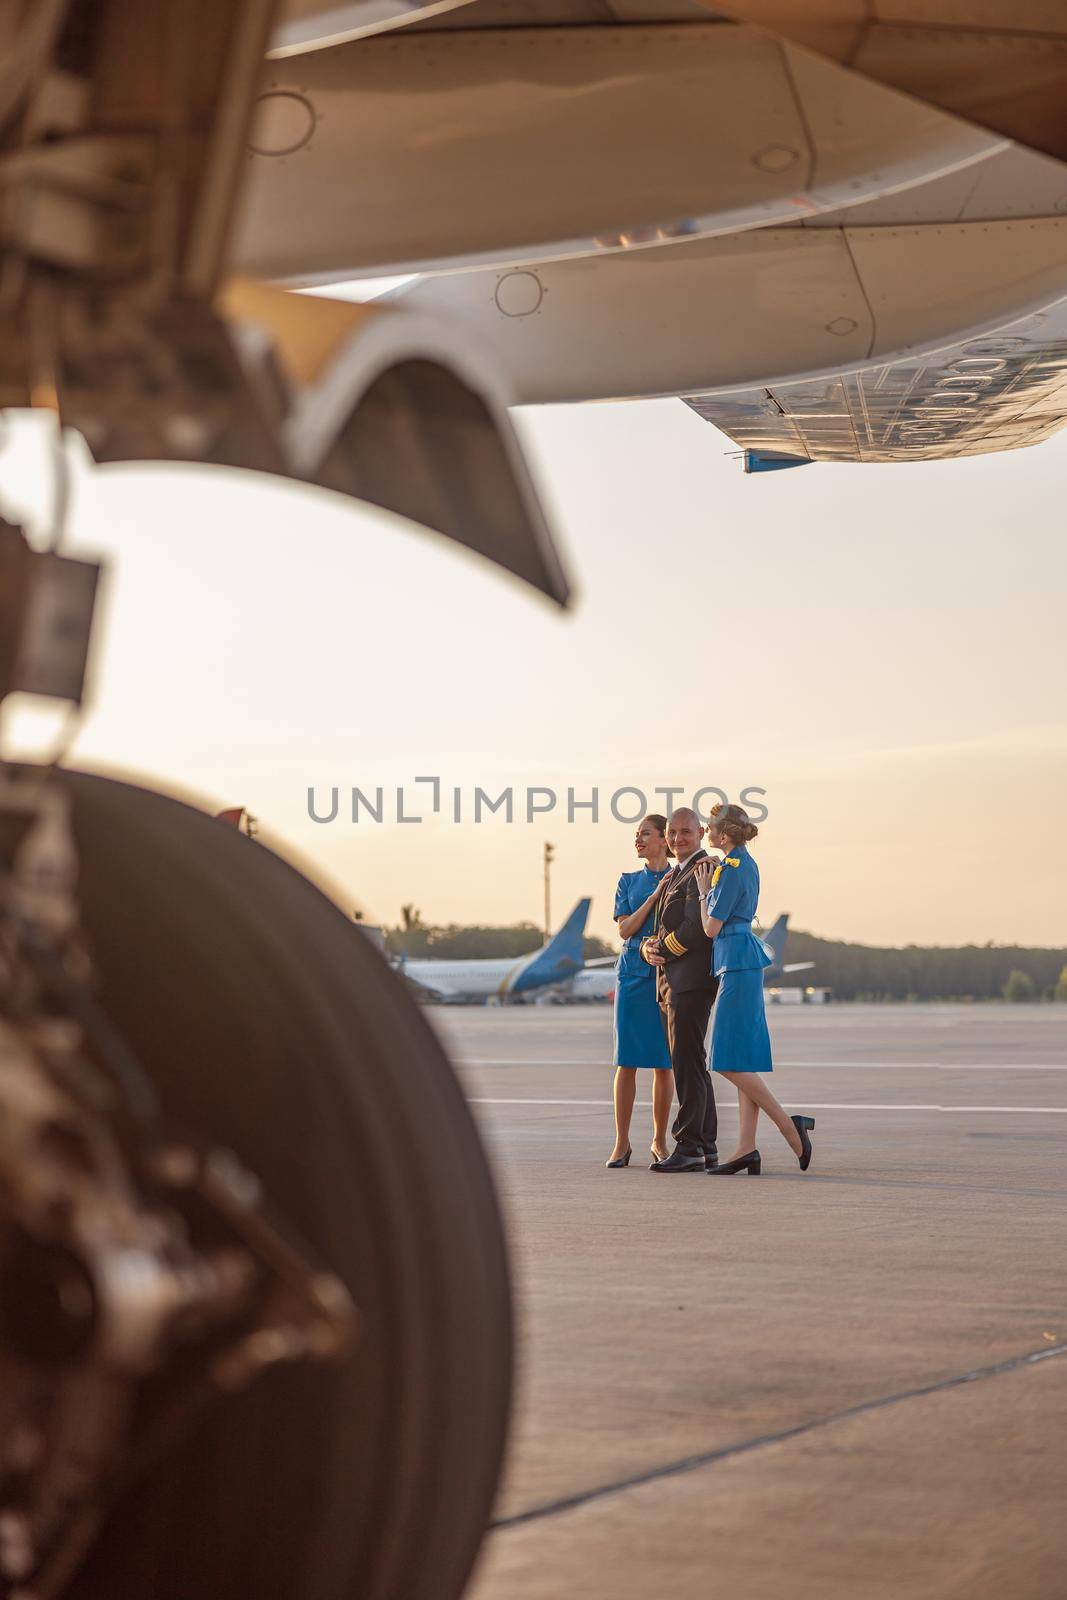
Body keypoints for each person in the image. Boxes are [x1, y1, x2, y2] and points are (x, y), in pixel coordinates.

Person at [694, 803, 816, 1175]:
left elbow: (710, 928)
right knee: (741, 1057)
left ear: (724, 835)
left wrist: (703, 891)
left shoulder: (731, 870)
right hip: (739, 960)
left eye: (710, 828)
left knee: (725, 1060)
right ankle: (746, 1148)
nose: (706, 833)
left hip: (736, 961)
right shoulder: (739, 864)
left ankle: (787, 1126)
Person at [640, 807, 719, 1172]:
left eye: (685, 832)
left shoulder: (702, 869)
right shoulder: (678, 872)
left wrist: (662, 949)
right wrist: (647, 947)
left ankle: (688, 1147)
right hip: (674, 980)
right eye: (672, 833)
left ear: (701, 832)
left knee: (687, 1064)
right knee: (691, 1064)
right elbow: (664, 925)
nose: (676, 839)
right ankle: (705, 1145)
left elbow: (694, 929)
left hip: (690, 980)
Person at [606, 815, 675, 1167]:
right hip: (632, 976)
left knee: (664, 1063)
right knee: (627, 1061)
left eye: (645, 834)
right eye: (636, 835)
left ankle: (659, 1141)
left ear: (664, 840)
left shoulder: (683, 876)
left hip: (666, 977)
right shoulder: (628, 881)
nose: (638, 840)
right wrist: (652, 898)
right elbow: (625, 929)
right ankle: (621, 1142)